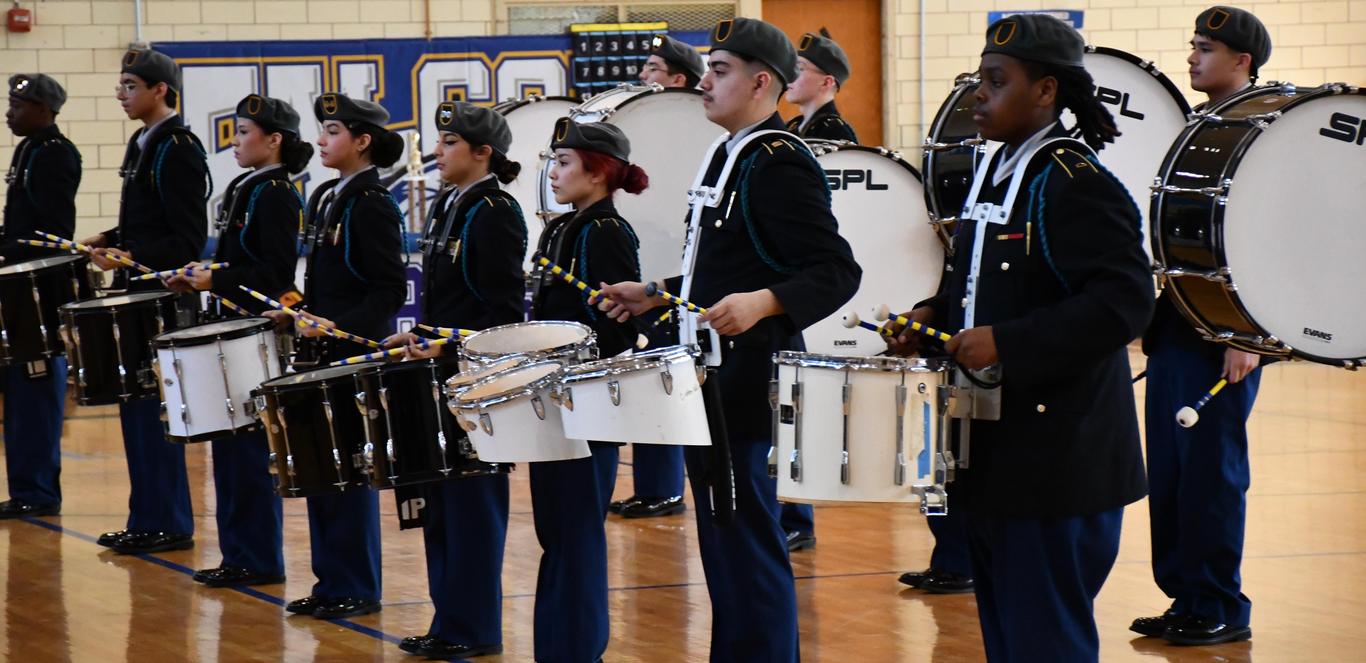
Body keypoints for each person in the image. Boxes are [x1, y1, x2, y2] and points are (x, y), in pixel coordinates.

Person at [885, 14, 1152, 661]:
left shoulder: (1074, 181)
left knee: (1045, 642)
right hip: (997, 459)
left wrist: (1006, 340)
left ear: (1046, 92)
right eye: (979, 79)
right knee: (1008, 639)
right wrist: (929, 319)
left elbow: (1126, 302)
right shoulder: (997, 170)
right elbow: (976, 289)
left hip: (1060, 462)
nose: (979, 95)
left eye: (996, 81)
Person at [598, 18, 861, 661]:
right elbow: (727, 268)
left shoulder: (779, 160)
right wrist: (658, 291)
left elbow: (835, 270)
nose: (706, 81)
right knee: (723, 545)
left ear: (761, 82)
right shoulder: (732, 152)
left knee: (747, 545)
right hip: (709, 381)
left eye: (720, 71)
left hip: (745, 383)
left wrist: (767, 302)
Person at [1130, 5, 1271, 648]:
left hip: (1223, 335)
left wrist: (1247, 334)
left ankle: (1219, 604)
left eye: (1205, 48)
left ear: (1241, 61)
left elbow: (1271, 241)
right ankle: (1186, 597)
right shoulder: (1194, 127)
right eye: (1192, 46)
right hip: (1176, 327)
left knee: (1212, 474)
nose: (1191, 57)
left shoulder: (1266, 130)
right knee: (1173, 473)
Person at [391, 101, 526, 660]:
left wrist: (453, 343)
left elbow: (501, 311)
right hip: (440, 368)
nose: (438, 153)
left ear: (482, 152)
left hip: (474, 377)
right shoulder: (451, 203)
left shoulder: (495, 210)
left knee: (472, 507)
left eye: (449, 144)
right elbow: (447, 298)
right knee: (441, 505)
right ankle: (450, 618)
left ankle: (474, 625)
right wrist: (419, 333)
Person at [165, 94, 309, 588]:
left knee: (249, 453)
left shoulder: (276, 193)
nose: (236, 141)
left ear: (274, 141)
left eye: (245, 132)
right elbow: (239, 263)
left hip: (253, 336)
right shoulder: (246, 188)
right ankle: (238, 553)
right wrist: (204, 274)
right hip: (230, 331)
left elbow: (272, 271)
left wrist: (216, 280)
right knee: (228, 449)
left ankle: (260, 556)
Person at [277, 92, 406, 620]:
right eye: (322, 131)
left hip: (349, 357)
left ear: (362, 141)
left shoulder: (371, 202)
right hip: (319, 351)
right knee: (318, 471)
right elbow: (329, 285)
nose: (321, 141)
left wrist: (338, 326)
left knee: (348, 472)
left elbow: (387, 291)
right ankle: (332, 581)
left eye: (332, 133)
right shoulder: (330, 196)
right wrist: (299, 309)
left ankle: (356, 584)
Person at [527, 118, 645, 663]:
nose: (554, 173)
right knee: (556, 533)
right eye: (554, 162)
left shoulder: (606, 233)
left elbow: (618, 331)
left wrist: (559, 352)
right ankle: (557, 647)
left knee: (575, 536)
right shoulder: (562, 229)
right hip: (553, 401)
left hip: (587, 403)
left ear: (598, 174)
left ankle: (577, 649)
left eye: (565, 163)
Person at [84, 48, 208, 555]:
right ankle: (146, 516)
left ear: (161, 89)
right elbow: (145, 222)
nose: (121, 94)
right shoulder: (142, 141)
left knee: (156, 413)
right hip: (137, 293)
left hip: (163, 298)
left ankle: (171, 521)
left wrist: (130, 252)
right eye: (120, 85)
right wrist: (110, 237)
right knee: (133, 407)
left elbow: (187, 237)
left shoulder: (179, 146)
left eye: (131, 85)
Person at [609, 32, 706, 521]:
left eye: (652, 69)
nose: (643, 77)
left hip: (676, 279)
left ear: (678, 80)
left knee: (664, 376)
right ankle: (655, 485)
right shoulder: (650, 129)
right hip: (649, 279)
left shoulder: (690, 131)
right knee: (651, 377)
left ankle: (665, 487)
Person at [776, 27, 859, 551]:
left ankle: (798, 520)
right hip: (788, 282)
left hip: (807, 286)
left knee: (795, 411)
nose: (792, 78)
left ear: (827, 82)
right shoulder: (790, 130)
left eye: (801, 70)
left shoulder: (836, 137)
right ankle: (790, 515)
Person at [0, 73, 80, 520]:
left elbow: (51, 235)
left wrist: (7, 247)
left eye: (18, 105)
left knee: (36, 392)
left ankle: (39, 490)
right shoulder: (29, 149)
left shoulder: (55, 154)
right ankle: (26, 486)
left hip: (41, 292)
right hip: (17, 286)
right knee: (19, 395)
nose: (9, 113)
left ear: (44, 110)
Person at [782, 28, 858, 144]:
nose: (790, 75)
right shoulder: (793, 126)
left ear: (826, 82)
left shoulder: (836, 132)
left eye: (800, 68)